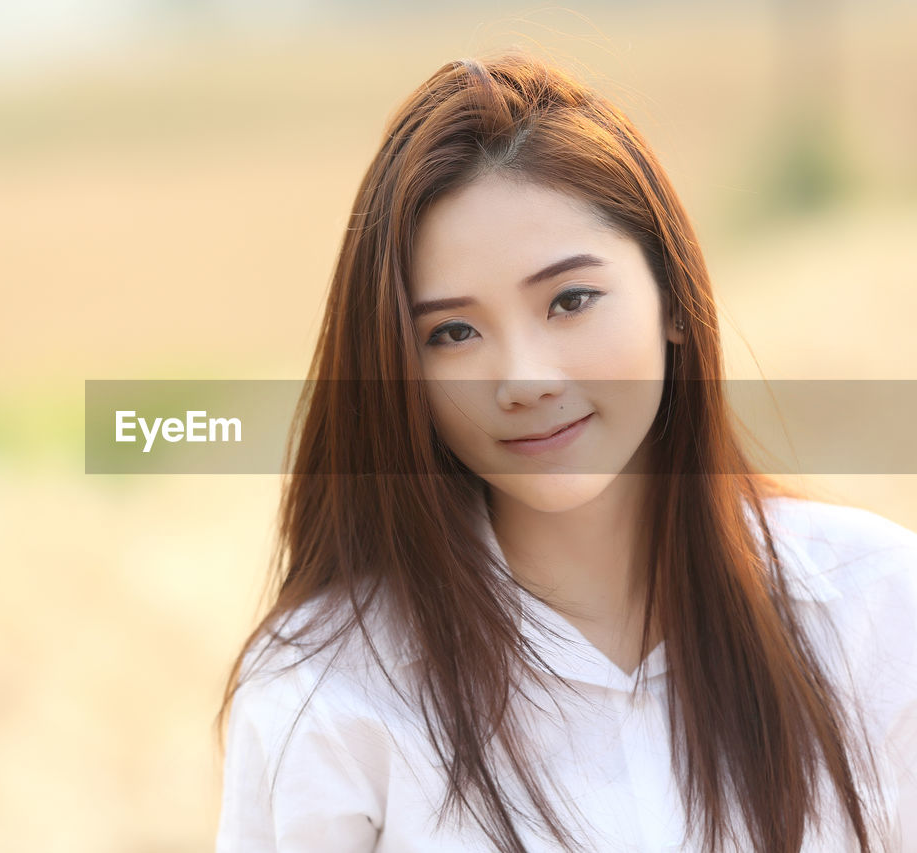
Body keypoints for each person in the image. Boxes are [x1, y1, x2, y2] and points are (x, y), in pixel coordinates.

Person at [212, 52, 917, 852]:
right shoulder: (329, 691)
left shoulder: (877, 611)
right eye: (453, 333)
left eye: (570, 301)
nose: (525, 378)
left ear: (674, 300)